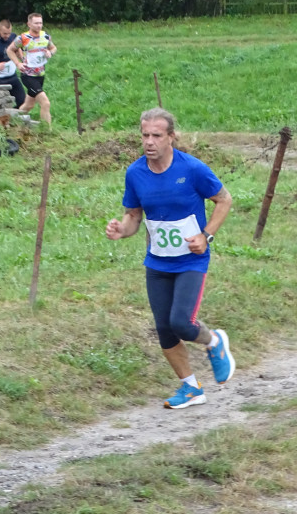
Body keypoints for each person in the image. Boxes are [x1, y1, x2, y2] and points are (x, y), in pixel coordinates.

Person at [105, 108, 235, 409]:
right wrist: (121, 230)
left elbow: (224, 200)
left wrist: (206, 235)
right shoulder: (135, 173)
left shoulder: (191, 169)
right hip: (158, 262)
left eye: (156, 136)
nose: (149, 142)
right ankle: (191, 388)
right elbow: (134, 217)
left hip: (190, 259)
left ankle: (214, 341)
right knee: (164, 328)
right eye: (144, 135)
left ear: (171, 137)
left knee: (181, 322)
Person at [6, 12, 57, 124]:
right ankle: (47, 131)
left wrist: (50, 52)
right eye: (36, 23)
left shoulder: (45, 36)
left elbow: (53, 48)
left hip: (40, 75)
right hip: (28, 75)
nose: (39, 25)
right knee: (45, 103)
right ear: (29, 24)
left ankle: (13, 120)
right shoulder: (23, 38)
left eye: (40, 23)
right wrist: (18, 64)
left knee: (28, 105)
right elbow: (9, 50)